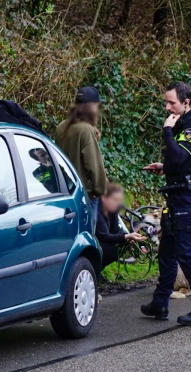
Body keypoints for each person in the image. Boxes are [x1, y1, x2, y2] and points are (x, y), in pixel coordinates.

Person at [141, 81, 191, 326]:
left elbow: (180, 154)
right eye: (166, 101)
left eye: (171, 102)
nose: (167, 107)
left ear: (186, 102)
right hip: (176, 196)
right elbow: (180, 161)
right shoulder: (183, 122)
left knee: (186, 253)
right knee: (167, 253)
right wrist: (165, 168)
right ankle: (160, 304)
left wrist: (167, 131)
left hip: (187, 198)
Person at [55, 86, 108, 226]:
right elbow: (93, 165)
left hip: (65, 194)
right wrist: (101, 189)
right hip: (85, 197)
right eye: (97, 105)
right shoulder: (85, 130)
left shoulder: (61, 127)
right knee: (87, 236)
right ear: (91, 107)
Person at [96, 183, 146, 268]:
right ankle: (95, 269)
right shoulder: (97, 212)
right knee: (110, 250)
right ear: (104, 198)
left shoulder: (112, 210)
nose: (118, 203)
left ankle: (99, 270)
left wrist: (128, 238)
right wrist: (127, 236)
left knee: (118, 247)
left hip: (104, 240)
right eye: (115, 200)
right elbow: (104, 236)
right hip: (95, 242)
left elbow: (116, 229)